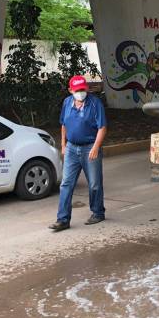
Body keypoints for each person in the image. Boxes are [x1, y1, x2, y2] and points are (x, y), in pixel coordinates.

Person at [49, 75, 108, 232]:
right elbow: (63, 124)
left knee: (94, 183)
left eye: (83, 89)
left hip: (90, 147)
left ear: (87, 88)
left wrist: (96, 147)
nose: (80, 92)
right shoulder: (67, 103)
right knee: (66, 184)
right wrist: (63, 144)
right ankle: (63, 219)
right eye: (77, 90)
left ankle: (98, 212)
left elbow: (102, 127)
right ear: (70, 90)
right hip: (71, 148)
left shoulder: (95, 103)